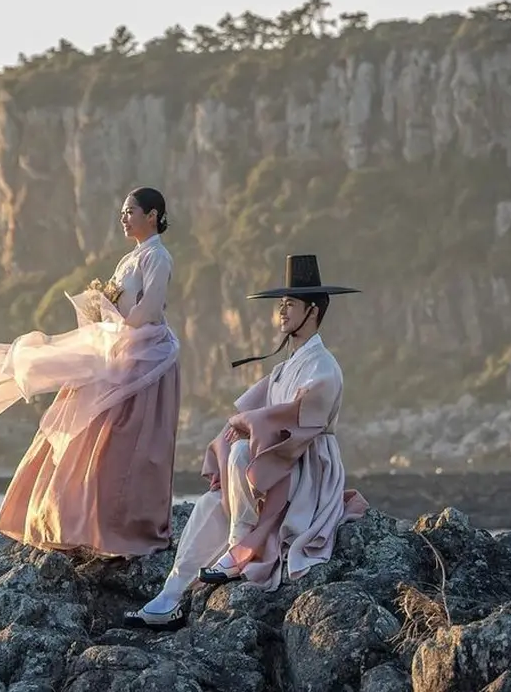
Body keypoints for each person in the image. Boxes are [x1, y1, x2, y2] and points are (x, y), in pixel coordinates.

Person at [0, 187, 181, 557]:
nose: (123, 218)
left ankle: (118, 524)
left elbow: (149, 311)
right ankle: (67, 519)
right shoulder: (129, 259)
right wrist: (102, 318)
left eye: (130, 211)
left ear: (152, 215)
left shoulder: (158, 257)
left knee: (122, 439)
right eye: (122, 212)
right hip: (120, 349)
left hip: (145, 358)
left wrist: (115, 324)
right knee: (84, 427)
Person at [123, 254, 369, 630]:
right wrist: (241, 426)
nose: (282, 312)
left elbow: (298, 421)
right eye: (281, 304)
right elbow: (254, 410)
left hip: (305, 467)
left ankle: (242, 548)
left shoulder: (324, 367)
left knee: (239, 453)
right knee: (210, 504)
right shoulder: (287, 365)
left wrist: (248, 427)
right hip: (270, 462)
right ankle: (168, 598)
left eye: (290, 304)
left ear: (314, 311)